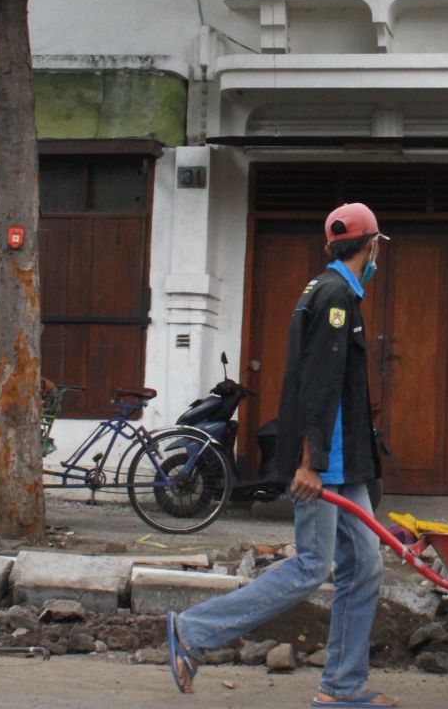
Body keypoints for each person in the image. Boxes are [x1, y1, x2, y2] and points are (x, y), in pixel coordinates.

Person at [167, 203, 397, 708]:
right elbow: (320, 386)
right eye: (377, 246)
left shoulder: (326, 290)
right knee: (313, 565)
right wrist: (310, 463)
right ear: (371, 245)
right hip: (324, 463)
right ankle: (193, 632)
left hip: (345, 463)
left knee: (366, 565)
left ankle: (341, 687)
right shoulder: (336, 296)